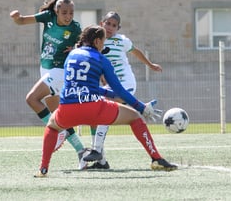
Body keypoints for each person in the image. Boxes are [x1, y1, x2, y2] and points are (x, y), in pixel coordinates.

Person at [34, 25, 177, 177]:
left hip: (67, 109)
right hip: (95, 108)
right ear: (96, 41)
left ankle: (43, 169)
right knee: (135, 117)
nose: (103, 45)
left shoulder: (72, 55)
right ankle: (156, 159)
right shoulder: (102, 59)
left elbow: (83, 85)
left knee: (52, 126)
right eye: (103, 41)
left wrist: (107, 93)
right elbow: (120, 91)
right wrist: (141, 107)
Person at [10, 0, 89, 169]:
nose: (68, 16)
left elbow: (85, 46)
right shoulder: (48, 17)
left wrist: (76, 47)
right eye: (65, 13)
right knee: (58, 115)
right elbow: (22, 21)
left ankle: (57, 131)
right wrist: (16, 18)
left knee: (32, 99)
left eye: (71, 13)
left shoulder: (75, 29)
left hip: (59, 71)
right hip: (46, 69)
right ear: (56, 11)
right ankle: (82, 151)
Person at [85, 11, 164, 169]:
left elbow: (136, 52)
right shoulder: (97, 42)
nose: (110, 27)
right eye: (108, 23)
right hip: (110, 85)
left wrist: (150, 65)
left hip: (126, 83)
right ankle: (101, 161)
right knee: (97, 114)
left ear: (118, 28)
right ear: (102, 23)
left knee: (104, 109)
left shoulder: (122, 41)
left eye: (114, 25)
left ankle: (96, 150)